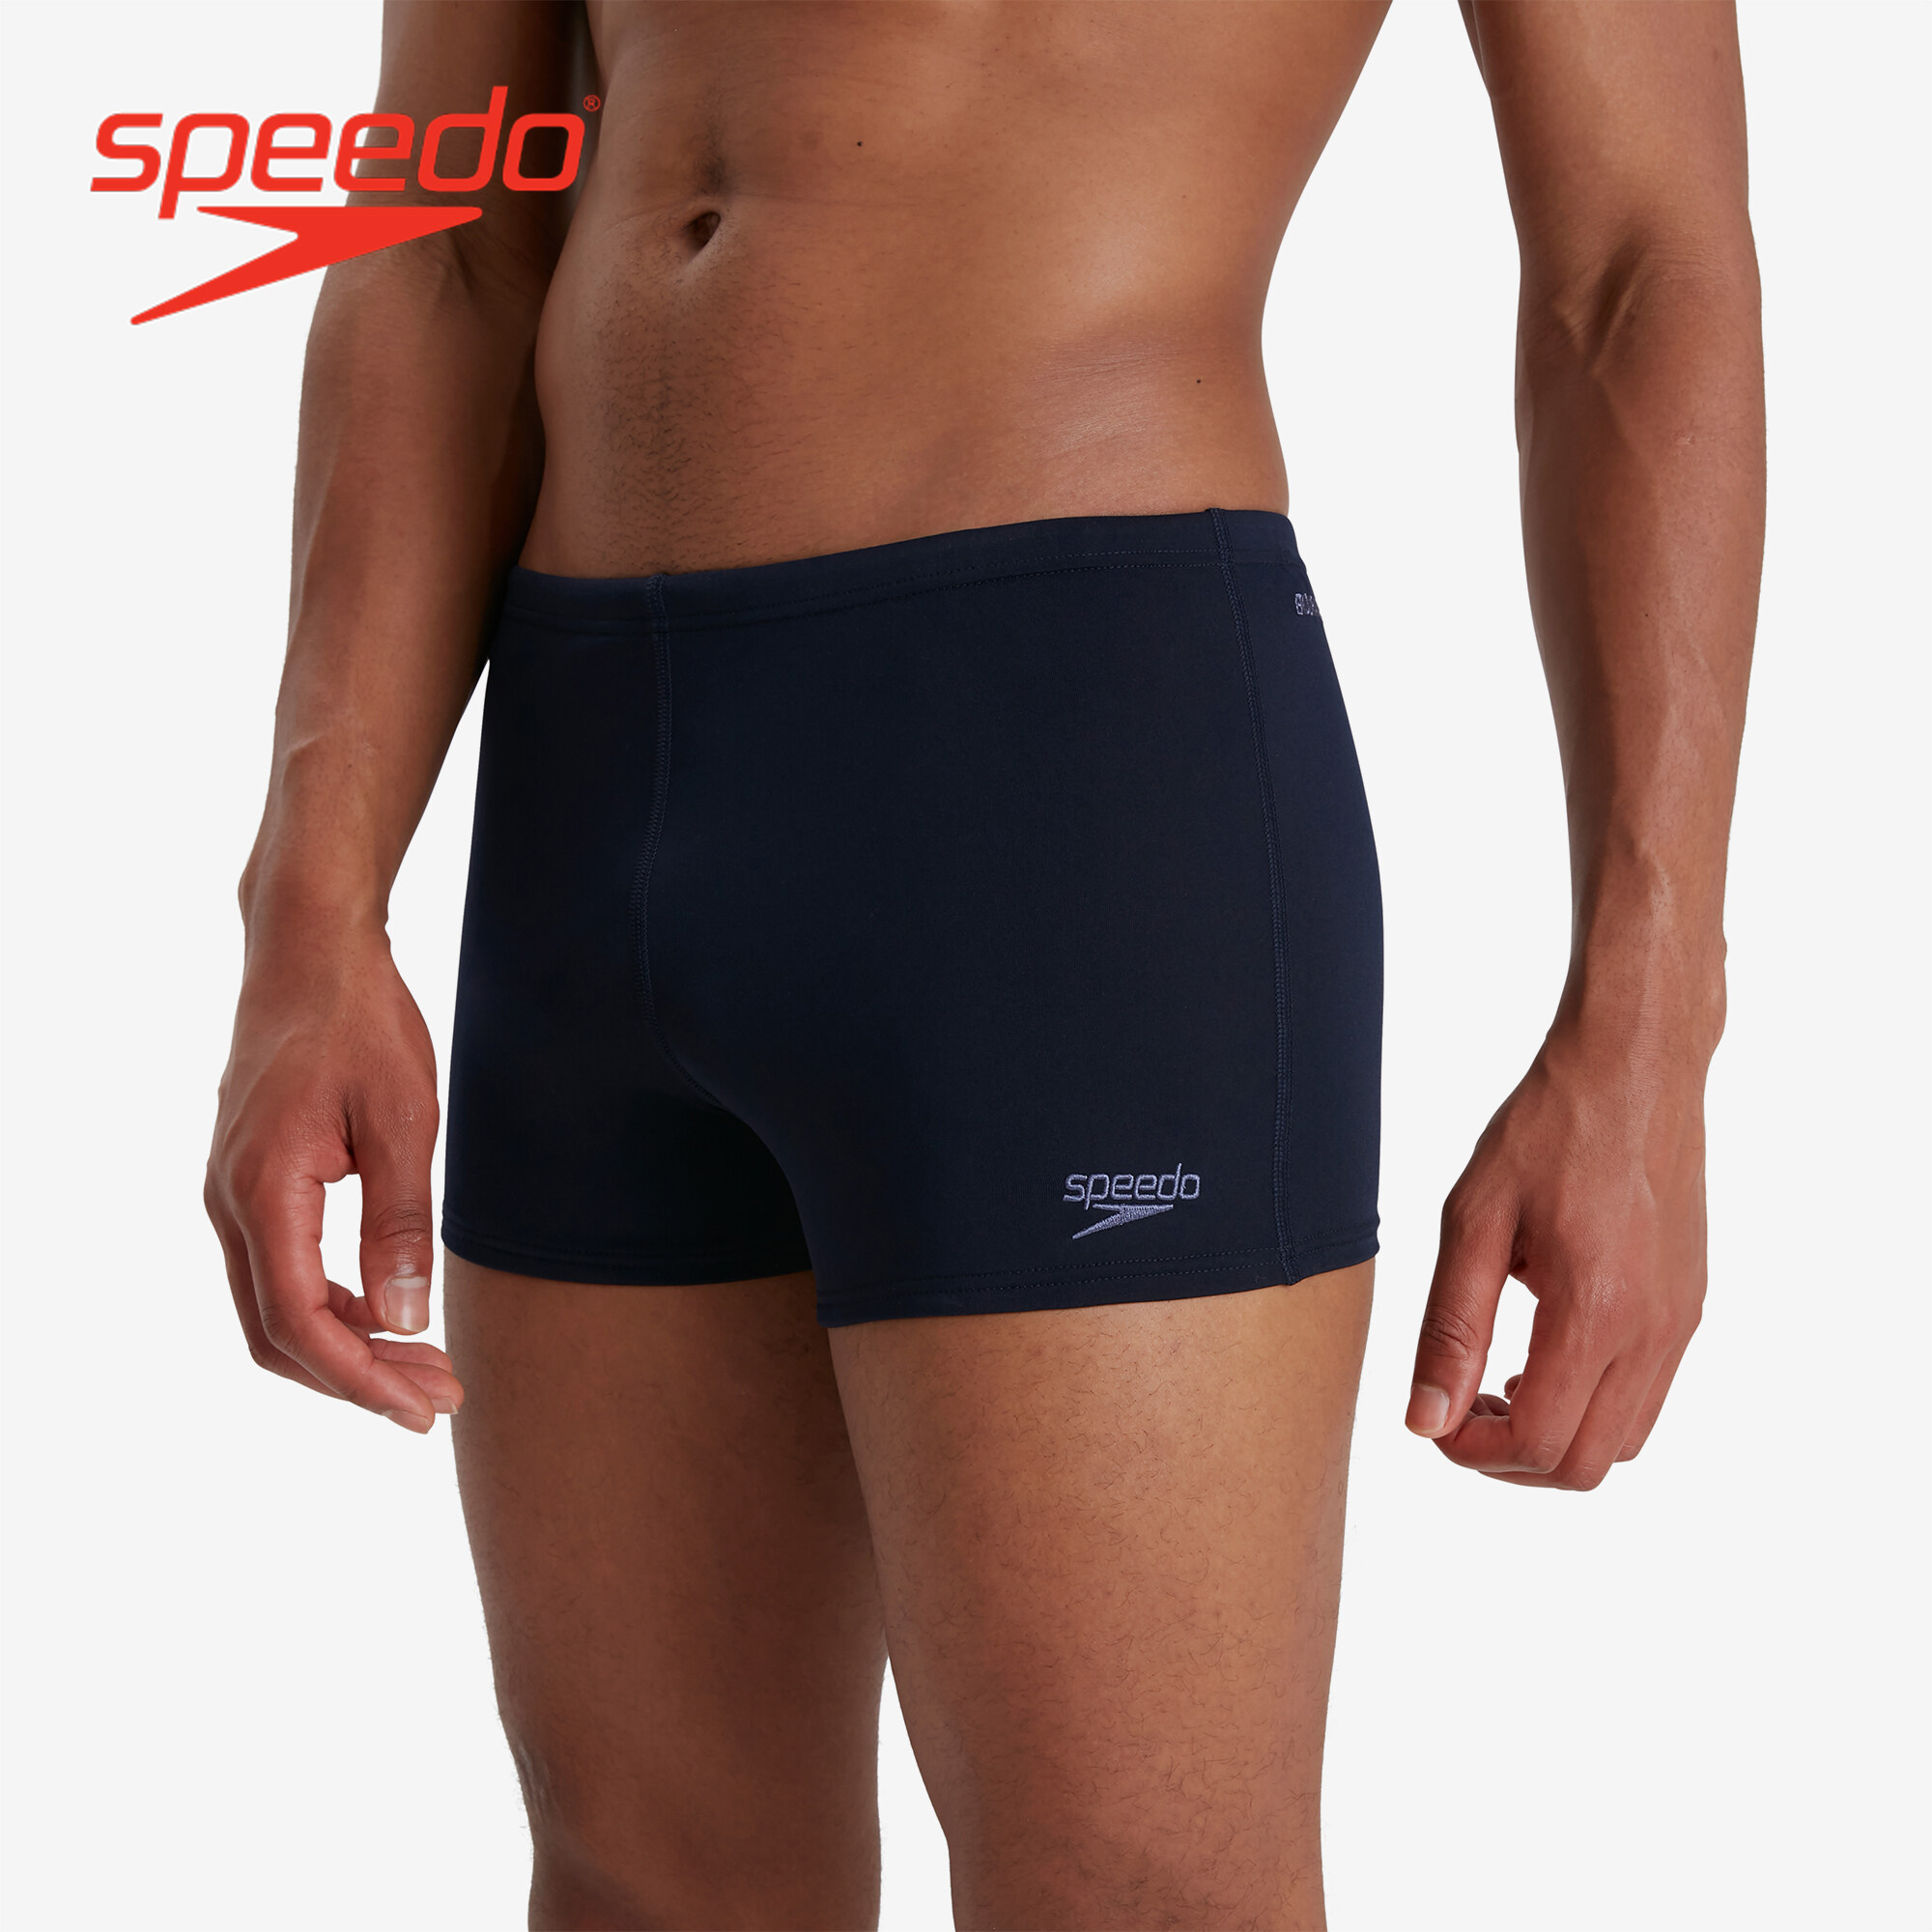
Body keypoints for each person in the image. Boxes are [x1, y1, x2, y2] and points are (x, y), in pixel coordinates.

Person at [204, 3, 1763, 1924]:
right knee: (645, 1883)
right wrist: (312, 902)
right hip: (588, 771)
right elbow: (447, 243)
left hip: (1058, 780)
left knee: (1135, 1894)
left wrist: (1647, 1022)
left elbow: (1637, 268)